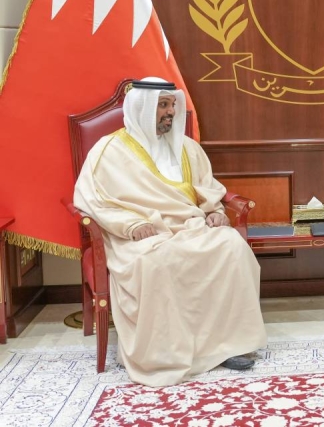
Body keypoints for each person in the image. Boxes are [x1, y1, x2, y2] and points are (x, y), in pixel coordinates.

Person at [73, 77, 267, 386]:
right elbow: (91, 201)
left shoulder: (187, 149)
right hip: (138, 235)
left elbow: (206, 189)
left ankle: (225, 347)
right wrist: (131, 225)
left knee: (231, 246)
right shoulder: (108, 152)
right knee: (156, 262)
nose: (171, 113)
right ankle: (164, 355)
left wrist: (215, 212)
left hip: (189, 224)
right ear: (142, 108)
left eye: (172, 105)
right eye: (163, 105)